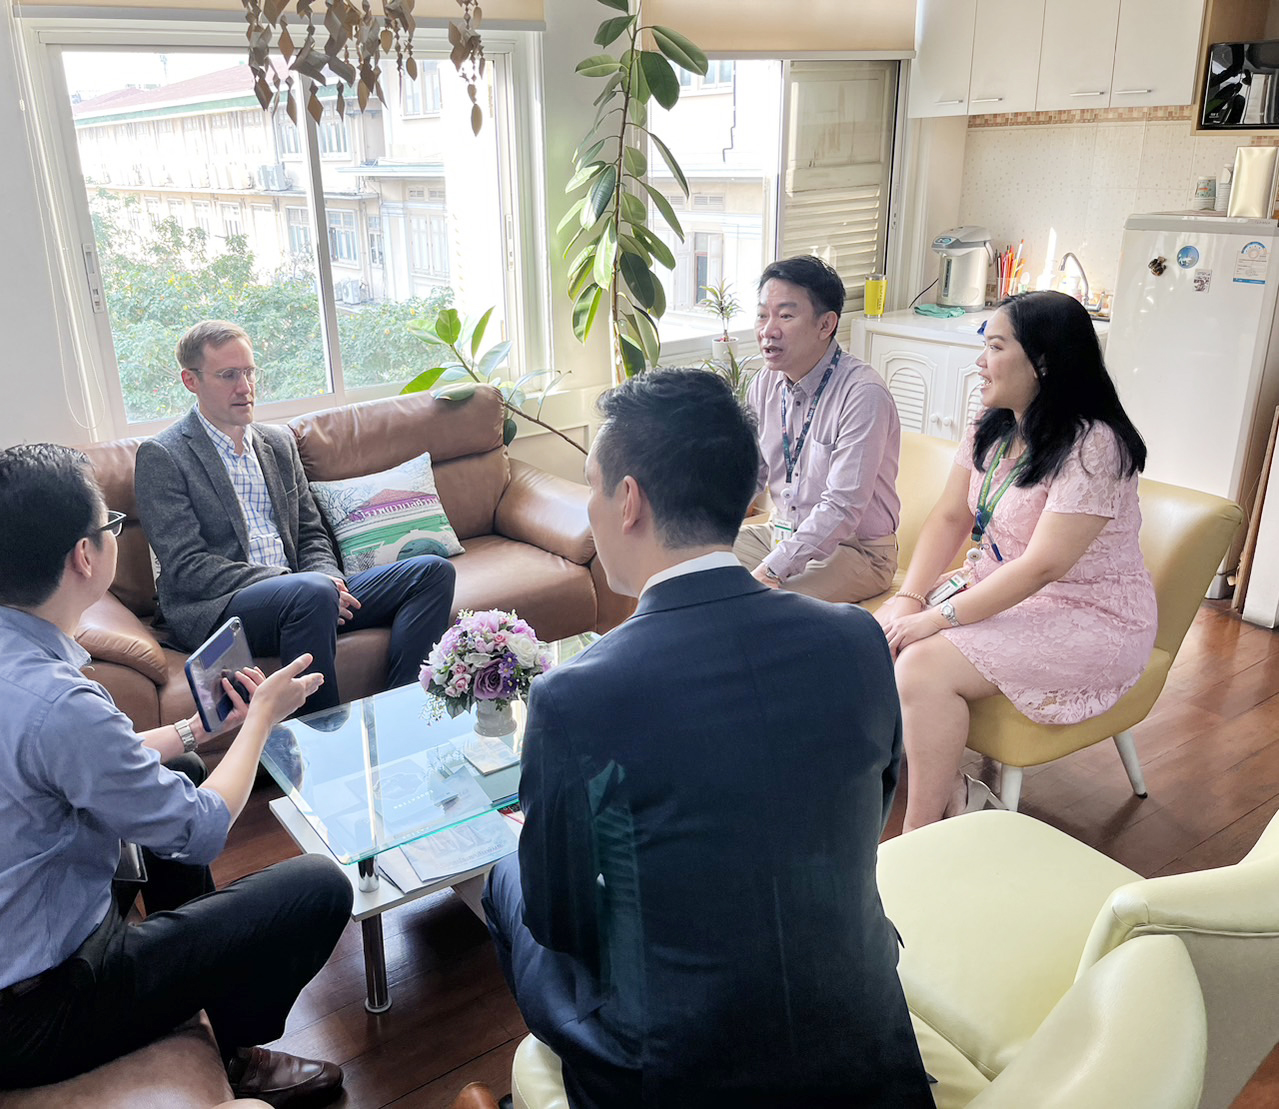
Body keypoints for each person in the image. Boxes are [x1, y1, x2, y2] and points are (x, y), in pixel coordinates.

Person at [483, 369, 932, 1108]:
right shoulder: (856, 638)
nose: (591, 509)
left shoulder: (577, 694)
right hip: (863, 1034)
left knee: (508, 877)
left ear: (629, 500)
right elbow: (870, 808)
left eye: (592, 486)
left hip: (676, 1068)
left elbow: (561, 917)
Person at [0, 443, 353, 1106]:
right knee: (318, 885)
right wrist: (260, 720)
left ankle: (209, 1015)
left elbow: (80, 759)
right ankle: (234, 1041)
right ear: (84, 556)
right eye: (110, 524)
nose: (115, 534)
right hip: (28, 1019)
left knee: (185, 764)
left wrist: (197, 728)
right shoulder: (60, 703)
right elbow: (202, 830)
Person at [876, 291, 1156, 830]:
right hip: (1000, 585)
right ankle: (958, 794)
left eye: (996, 347)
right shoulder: (992, 423)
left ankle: (919, 830)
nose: (980, 361)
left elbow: (1044, 566)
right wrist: (909, 598)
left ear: (1042, 362)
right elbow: (950, 517)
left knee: (922, 664)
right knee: (877, 636)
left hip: (1089, 615)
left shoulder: (1094, 445)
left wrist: (936, 618)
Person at [136, 320, 456, 714]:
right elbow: (188, 567)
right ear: (191, 380)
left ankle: (405, 715)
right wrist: (297, 581)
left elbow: (310, 533)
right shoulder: (163, 456)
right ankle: (323, 741)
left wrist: (330, 579)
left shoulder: (277, 442)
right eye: (228, 375)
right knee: (310, 593)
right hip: (223, 607)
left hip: (308, 596)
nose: (245, 387)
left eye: (250, 372)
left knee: (431, 572)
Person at [734, 255, 902, 602]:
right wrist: (701, 533)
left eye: (785, 316)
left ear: (826, 325)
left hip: (856, 551)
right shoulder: (764, 384)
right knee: (687, 567)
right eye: (763, 315)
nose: (768, 330)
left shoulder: (862, 393)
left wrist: (772, 569)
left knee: (759, 601)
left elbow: (843, 505)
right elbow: (749, 475)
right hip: (781, 534)